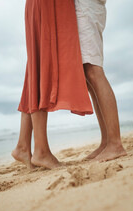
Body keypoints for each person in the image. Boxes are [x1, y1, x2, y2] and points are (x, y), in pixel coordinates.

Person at [11, 0, 94, 169]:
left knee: (37, 65)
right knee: (42, 65)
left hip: (47, 5)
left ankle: (23, 145)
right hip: (49, 5)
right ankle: (41, 150)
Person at [75, 0, 127, 162]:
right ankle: (107, 141)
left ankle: (115, 143)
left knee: (93, 70)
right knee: (89, 76)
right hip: (88, 6)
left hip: (86, 6)